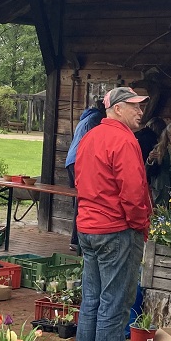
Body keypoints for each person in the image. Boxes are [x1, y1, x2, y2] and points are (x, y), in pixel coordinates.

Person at [71, 86, 153, 341]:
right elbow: (133, 192)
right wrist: (139, 224)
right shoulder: (124, 140)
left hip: (89, 229)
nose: (140, 112)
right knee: (114, 306)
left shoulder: (90, 137)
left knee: (91, 303)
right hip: (117, 231)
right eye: (135, 106)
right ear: (118, 109)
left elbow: (79, 178)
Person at [64, 97, 104, 253]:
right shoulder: (97, 119)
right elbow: (96, 141)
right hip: (80, 160)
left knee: (79, 200)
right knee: (83, 199)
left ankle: (77, 239)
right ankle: (77, 240)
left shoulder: (87, 116)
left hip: (71, 159)